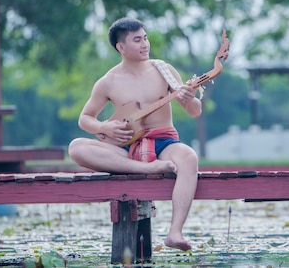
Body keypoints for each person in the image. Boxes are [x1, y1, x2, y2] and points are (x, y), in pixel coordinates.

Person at [68, 17, 201, 251]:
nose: (145, 44)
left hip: (164, 143)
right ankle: (148, 169)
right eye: (137, 40)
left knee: (189, 157)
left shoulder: (163, 69)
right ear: (121, 47)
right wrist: (103, 127)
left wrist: (190, 99)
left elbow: (194, 111)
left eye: (145, 38)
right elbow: (84, 118)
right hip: (127, 148)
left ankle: (174, 232)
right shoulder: (108, 82)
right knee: (76, 148)